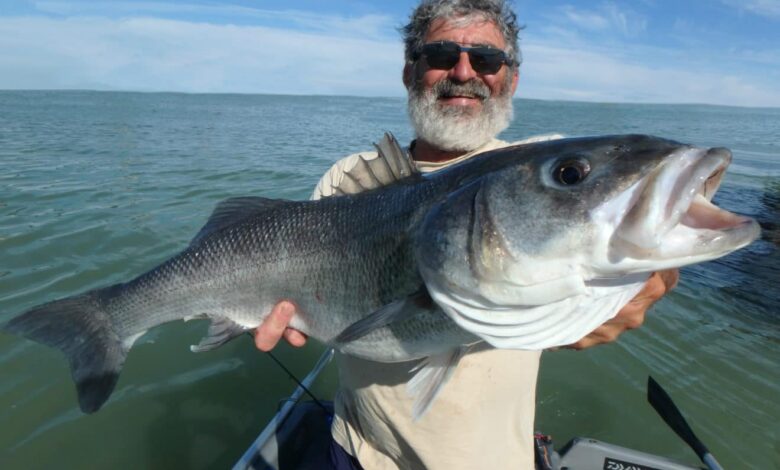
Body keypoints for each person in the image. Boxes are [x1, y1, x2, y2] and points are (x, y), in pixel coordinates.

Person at [255, 1, 679, 469]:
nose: (463, 71)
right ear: (409, 72)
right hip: (357, 449)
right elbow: (297, 287)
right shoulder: (347, 178)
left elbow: (617, 227)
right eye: (440, 55)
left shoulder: (538, 166)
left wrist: (647, 280)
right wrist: (267, 302)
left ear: (511, 79)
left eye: (487, 59)